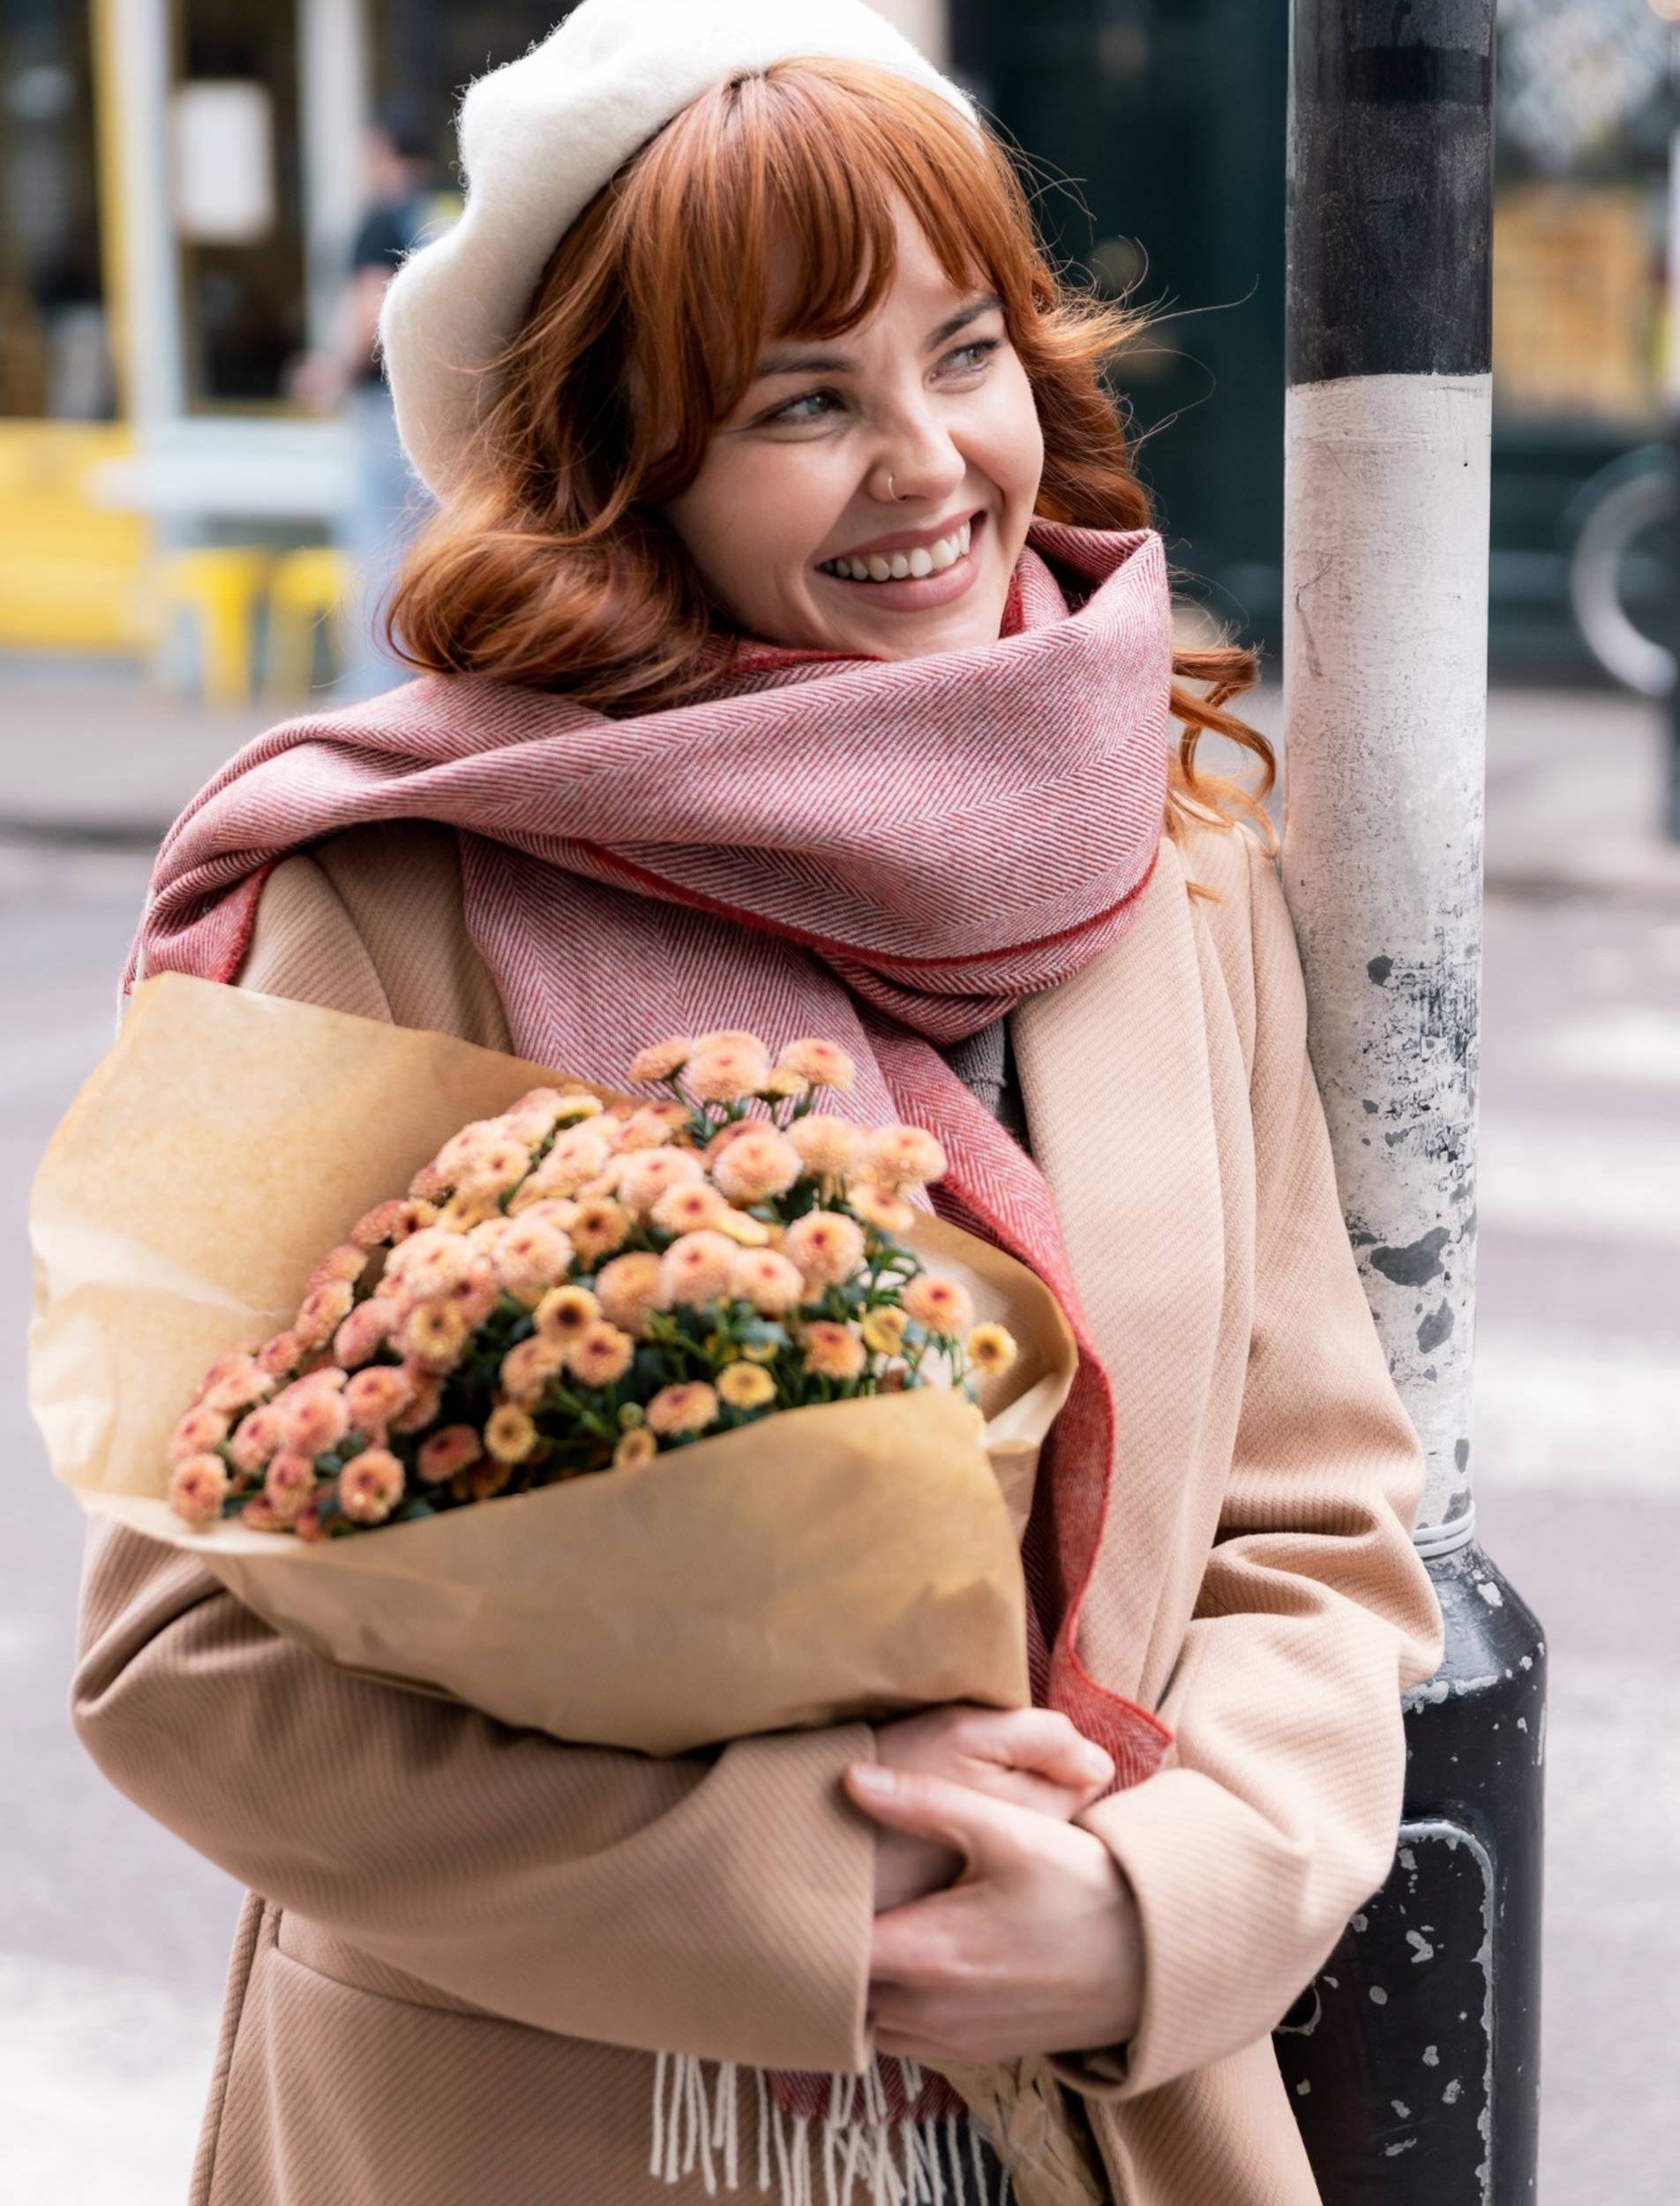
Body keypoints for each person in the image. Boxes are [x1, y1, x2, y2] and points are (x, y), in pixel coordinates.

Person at [75, 4, 1444, 2202]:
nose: (927, 464)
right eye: (804, 399)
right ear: (629, 462)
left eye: (965, 351)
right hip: (523, 2121)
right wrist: (828, 1899)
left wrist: (1148, 1899)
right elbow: (185, 1660)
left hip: (1084, 2118)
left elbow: (1312, 1528)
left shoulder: (1160, 857)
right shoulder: (363, 887)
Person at [289, 114, 447, 699]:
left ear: (382, 148)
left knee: (383, 550)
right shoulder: (452, 207)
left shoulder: (380, 214)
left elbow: (369, 309)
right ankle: (441, 685)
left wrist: (329, 370)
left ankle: (380, 694)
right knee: (443, 551)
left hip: (390, 412)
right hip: (458, 409)